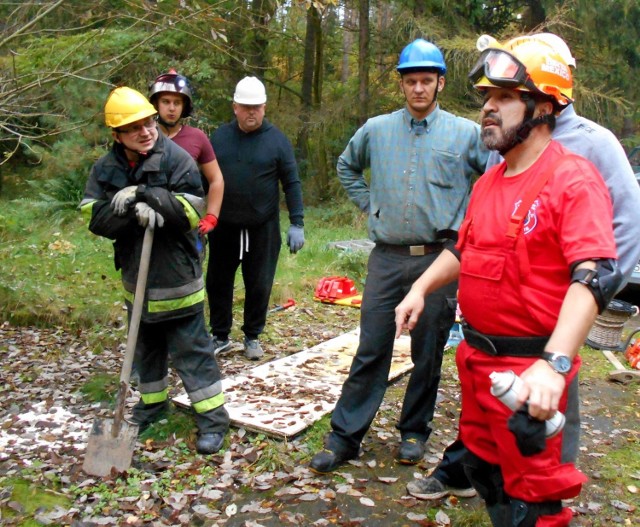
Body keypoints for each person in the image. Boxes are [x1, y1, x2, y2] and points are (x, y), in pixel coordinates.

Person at [395, 38, 621, 526]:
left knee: (533, 501)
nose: (488, 109)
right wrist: (420, 288)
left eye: (503, 97)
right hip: (477, 364)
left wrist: (554, 365)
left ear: (541, 107)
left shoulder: (573, 180)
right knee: (485, 471)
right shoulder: (489, 181)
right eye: (486, 99)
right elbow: (463, 249)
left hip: (529, 371)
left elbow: (594, 274)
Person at [308, 38, 489, 474]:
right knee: (372, 345)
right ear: (402, 84)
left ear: (440, 83)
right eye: (411, 81)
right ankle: (345, 437)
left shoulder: (466, 134)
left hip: (440, 258)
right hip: (386, 257)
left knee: (428, 349)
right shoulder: (376, 129)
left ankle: (414, 431)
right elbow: (346, 166)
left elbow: (492, 180)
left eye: (427, 80)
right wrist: (371, 204)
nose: (419, 89)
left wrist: (471, 222)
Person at [80, 86, 230, 455]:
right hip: (137, 280)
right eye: (135, 128)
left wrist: (151, 198)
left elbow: (192, 212)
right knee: (146, 350)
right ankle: (153, 404)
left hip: (177, 278)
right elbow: (93, 216)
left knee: (193, 352)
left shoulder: (176, 159)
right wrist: (131, 211)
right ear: (117, 136)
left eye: (149, 123)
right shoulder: (107, 168)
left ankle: (212, 419)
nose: (146, 131)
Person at [207, 76, 305, 360]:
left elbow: (292, 182)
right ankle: (220, 335)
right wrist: (198, 219)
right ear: (235, 107)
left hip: (263, 227)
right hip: (223, 226)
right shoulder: (220, 138)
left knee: (259, 283)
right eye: (246, 106)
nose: (252, 112)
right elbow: (205, 178)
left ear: (264, 107)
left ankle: (252, 336)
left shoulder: (277, 141)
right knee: (218, 281)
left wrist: (297, 222)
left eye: (257, 107)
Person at [148, 69, 225, 236]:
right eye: (166, 101)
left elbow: (216, 178)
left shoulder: (197, 137)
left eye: (177, 103)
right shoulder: (144, 136)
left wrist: (211, 216)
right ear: (156, 104)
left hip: (185, 224)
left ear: (184, 106)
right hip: (147, 221)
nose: (171, 108)